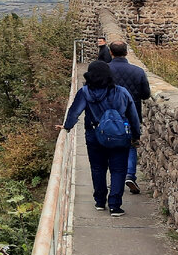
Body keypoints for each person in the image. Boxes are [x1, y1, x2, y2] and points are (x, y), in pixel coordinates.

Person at [60, 60, 141, 217]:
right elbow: (133, 115)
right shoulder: (121, 92)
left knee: (98, 168)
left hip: (94, 135)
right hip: (119, 136)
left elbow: (75, 112)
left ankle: (99, 201)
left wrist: (67, 126)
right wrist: (135, 135)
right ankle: (115, 206)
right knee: (118, 170)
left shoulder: (85, 92)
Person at [107, 41, 151, 194]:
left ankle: (115, 179)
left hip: (110, 116)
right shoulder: (138, 71)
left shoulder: (104, 71)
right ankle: (130, 175)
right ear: (126, 53)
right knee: (131, 145)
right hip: (132, 115)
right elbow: (146, 94)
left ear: (111, 53)